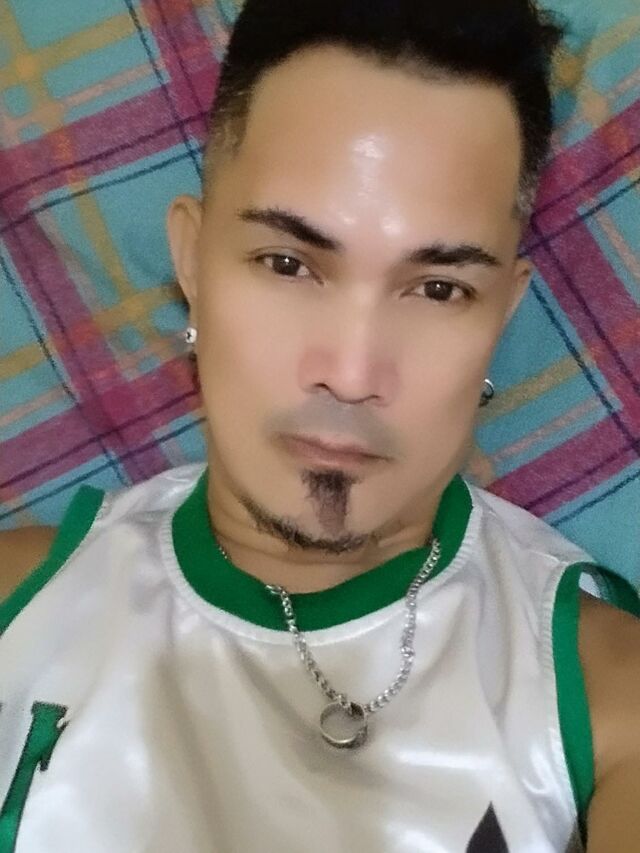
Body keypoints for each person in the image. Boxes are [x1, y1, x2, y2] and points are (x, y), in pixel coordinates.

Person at [1, 0, 639, 850]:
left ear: (502, 313)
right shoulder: (20, 601)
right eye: (288, 263)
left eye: (438, 288)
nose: (351, 371)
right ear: (192, 261)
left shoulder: (607, 699)